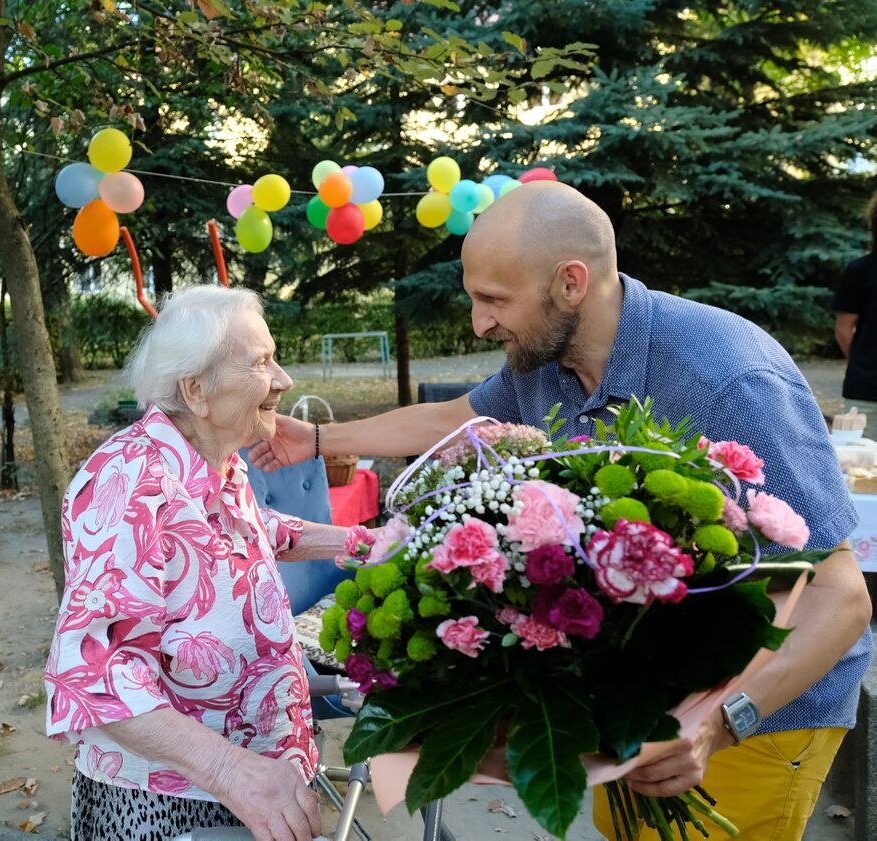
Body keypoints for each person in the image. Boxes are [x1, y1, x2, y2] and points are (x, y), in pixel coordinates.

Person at [251, 181, 874, 840]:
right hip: (649, 703)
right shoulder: (544, 359)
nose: (478, 323)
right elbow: (452, 419)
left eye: (493, 300)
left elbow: (842, 598)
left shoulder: (729, 379)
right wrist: (317, 439)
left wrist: (720, 723)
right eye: (473, 297)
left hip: (764, 713)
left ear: (571, 283)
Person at [45, 286, 352, 841]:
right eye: (261, 363)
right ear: (196, 389)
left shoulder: (213, 458)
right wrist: (234, 773)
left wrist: (360, 541)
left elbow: (256, 532)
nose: (284, 380)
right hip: (175, 802)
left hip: (250, 774)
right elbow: (96, 673)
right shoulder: (130, 482)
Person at [833, 190, 877, 433]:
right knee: (863, 468)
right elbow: (843, 328)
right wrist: (863, 362)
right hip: (866, 394)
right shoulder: (859, 270)